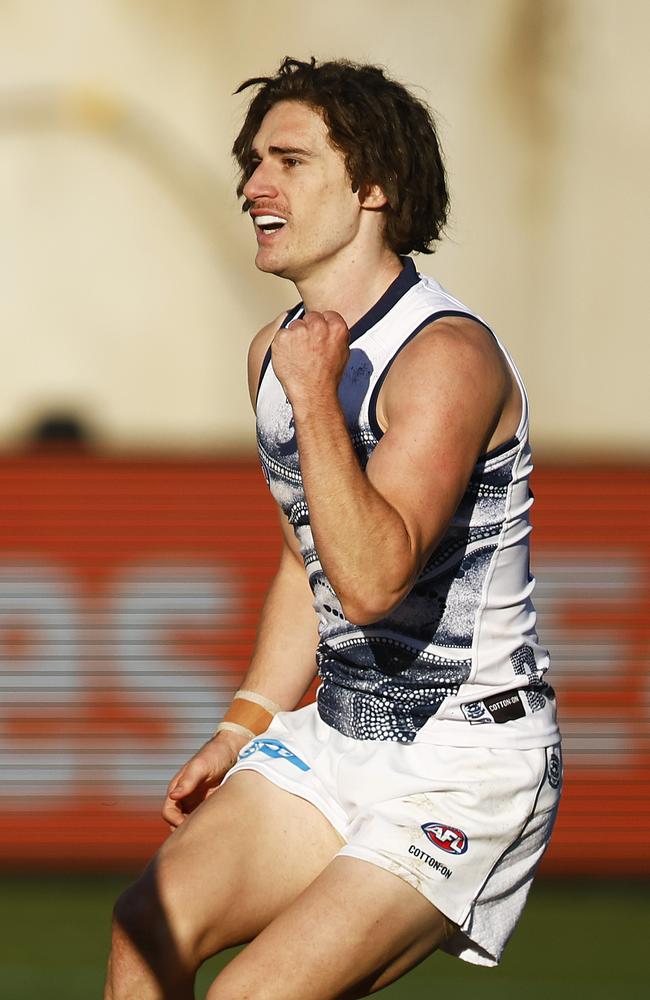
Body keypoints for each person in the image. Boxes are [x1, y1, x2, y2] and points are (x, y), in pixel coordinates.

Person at [105, 57, 561, 1000]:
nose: (253, 187)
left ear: (374, 187)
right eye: (250, 163)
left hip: (463, 765)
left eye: (289, 160)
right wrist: (243, 727)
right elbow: (304, 560)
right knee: (146, 928)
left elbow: (371, 580)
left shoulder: (445, 356)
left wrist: (317, 396)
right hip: (340, 737)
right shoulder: (276, 353)